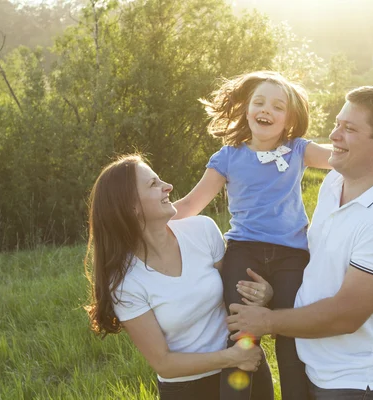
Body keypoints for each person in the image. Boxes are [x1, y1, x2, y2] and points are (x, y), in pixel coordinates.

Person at [226, 86, 373, 400]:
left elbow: (345, 315)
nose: (334, 135)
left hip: (355, 382)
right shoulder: (335, 182)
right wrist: (273, 292)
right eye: (336, 123)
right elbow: (319, 265)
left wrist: (267, 320)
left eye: (349, 129)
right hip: (310, 361)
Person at [172, 71, 335, 400]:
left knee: (291, 341)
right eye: (259, 102)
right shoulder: (228, 156)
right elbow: (191, 203)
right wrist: (139, 222)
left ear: (289, 117)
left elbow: (342, 158)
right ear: (246, 109)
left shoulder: (298, 149)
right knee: (241, 339)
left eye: (278, 106)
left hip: (292, 257)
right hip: (244, 255)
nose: (267, 110)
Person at [84, 154, 274, 400]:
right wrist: (232, 357)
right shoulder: (125, 282)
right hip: (189, 389)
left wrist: (265, 296)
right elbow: (164, 363)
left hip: (245, 369)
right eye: (153, 184)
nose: (168, 186)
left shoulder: (202, 230)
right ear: (131, 207)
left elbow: (236, 297)